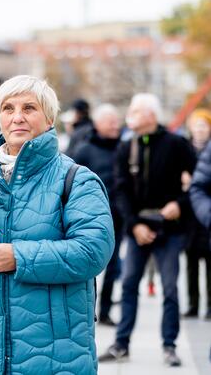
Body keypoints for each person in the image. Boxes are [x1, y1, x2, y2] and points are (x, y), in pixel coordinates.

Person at [0, 75, 114, 374]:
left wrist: (17, 257)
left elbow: (92, 251)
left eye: (29, 108)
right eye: (8, 108)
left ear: (49, 118)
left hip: (56, 355)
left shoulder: (76, 179)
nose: (17, 117)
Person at [99, 93, 196, 367]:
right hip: (137, 228)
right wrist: (135, 224)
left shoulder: (177, 144)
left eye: (136, 110)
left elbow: (199, 182)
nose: (129, 114)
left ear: (151, 115)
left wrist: (179, 204)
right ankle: (121, 344)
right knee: (129, 285)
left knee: (170, 289)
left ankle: (169, 345)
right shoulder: (125, 147)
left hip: (170, 230)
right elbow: (120, 190)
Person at [72, 103, 123, 325]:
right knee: (89, 263)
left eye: (116, 121)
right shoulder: (85, 149)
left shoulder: (124, 147)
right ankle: (87, 309)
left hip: (117, 215)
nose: (115, 125)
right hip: (89, 218)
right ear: (98, 124)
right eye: (110, 121)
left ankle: (106, 311)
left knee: (113, 266)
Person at [183, 109, 211, 318]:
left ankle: (210, 304)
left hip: (206, 214)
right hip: (190, 216)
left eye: (204, 125)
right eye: (197, 125)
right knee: (191, 263)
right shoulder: (184, 149)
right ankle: (193, 304)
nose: (200, 129)